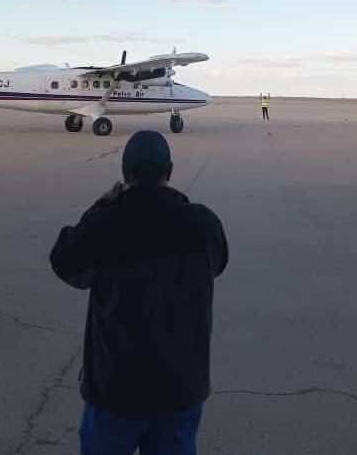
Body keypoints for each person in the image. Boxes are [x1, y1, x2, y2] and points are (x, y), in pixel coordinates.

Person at [50, 130, 229, 455]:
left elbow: (64, 263)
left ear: (124, 172)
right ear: (169, 171)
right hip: (181, 387)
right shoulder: (204, 224)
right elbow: (216, 266)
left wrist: (98, 207)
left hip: (116, 389)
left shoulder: (105, 224)